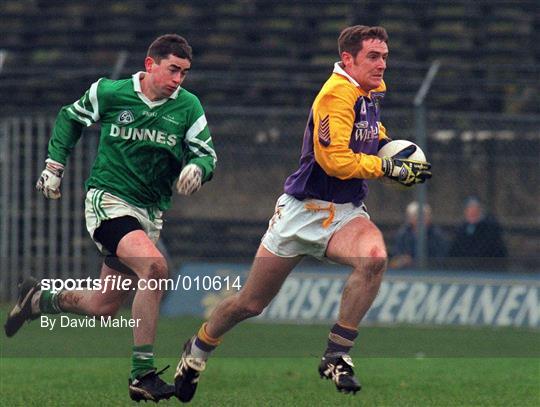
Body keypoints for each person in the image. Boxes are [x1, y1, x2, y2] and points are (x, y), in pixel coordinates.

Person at [173, 25, 431, 402]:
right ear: (348, 59)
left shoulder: (368, 92)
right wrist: (388, 168)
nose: (382, 64)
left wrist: (391, 147)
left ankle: (336, 354)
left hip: (344, 213)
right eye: (373, 57)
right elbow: (335, 161)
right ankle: (197, 350)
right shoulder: (335, 94)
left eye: (385, 57)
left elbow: (369, 131)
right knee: (250, 303)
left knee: (374, 258)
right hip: (300, 213)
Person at [4, 34, 217, 403]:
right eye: (173, 69)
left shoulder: (188, 106)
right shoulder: (110, 92)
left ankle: (38, 299)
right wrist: (54, 167)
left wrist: (198, 168)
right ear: (150, 64)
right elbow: (69, 117)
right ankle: (142, 374)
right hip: (108, 201)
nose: (178, 79)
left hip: (149, 213)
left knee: (104, 306)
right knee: (154, 269)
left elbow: (207, 154)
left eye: (184, 72)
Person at [448, 197, 507, 268]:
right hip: (463, 269)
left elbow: (497, 252)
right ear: (465, 212)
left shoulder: (490, 229)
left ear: (480, 212)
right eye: (469, 211)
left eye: (475, 211)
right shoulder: (461, 230)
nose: (472, 214)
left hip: (487, 269)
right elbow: (454, 251)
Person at [389, 201, 448, 269]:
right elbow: (394, 260)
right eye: (415, 216)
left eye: (424, 216)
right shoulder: (402, 235)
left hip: (432, 274)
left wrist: (417, 261)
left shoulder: (437, 236)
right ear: (409, 218)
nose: (420, 219)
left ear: (429, 217)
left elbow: (441, 260)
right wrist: (403, 260)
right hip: (406, 274)